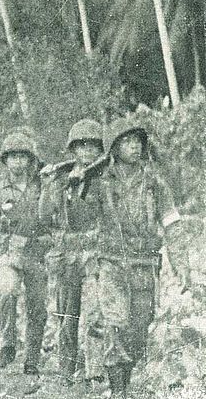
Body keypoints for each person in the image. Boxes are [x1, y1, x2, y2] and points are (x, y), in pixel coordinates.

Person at [91, 118, 190, 398]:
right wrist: (77, 187)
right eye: (126, 141)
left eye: (137, 141)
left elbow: (172, 223)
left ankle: (129, 378)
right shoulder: (100, 183)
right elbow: (78, 220)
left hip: (144, 265)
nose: (134, 146)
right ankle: (117, 389)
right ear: (114, 147)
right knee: (115, 323)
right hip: (111, 263)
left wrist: (180, 263)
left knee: (139, 325)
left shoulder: (154, 183)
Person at [0, 131, 50, 376]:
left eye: (23, 157)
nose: (18, 162)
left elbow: (53, 218)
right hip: (9, 254)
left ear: (30, 160)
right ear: (5, 161)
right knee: (5, 291)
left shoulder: (42, 185)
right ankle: (8, 342)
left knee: (38, 308)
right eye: (12, 157)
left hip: (38, 254)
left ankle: (33, 357)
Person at [39, 119, 107, 386]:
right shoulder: (60, 179)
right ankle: (66, 370)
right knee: (67, 317)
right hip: (66, 256)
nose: (88, 151)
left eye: (93, 146)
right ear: (73, 149)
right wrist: (49, 186)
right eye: (82, 146)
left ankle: (95, 373)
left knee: (94, 316)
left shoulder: (105, 178)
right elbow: (45, 216)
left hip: (93, 255)